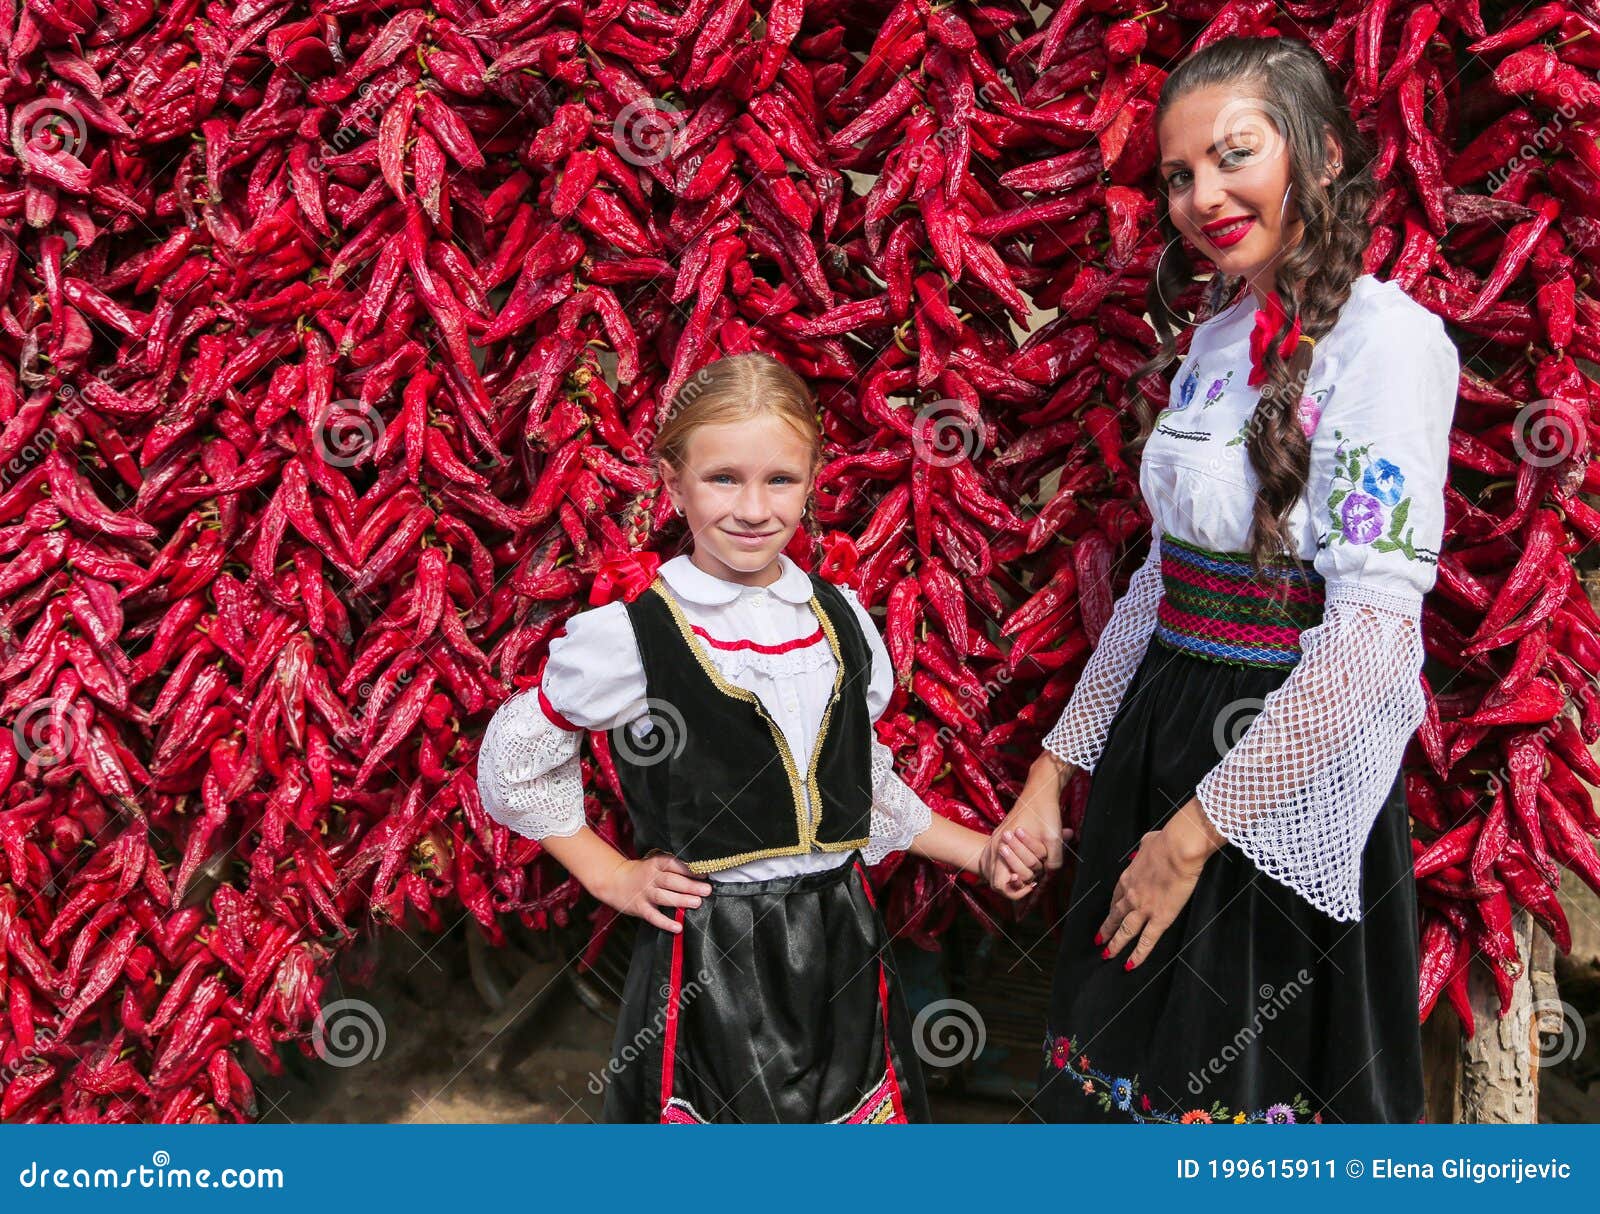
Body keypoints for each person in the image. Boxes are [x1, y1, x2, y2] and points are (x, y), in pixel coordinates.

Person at [985, 36, 1458, 1123]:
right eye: (1178, 174)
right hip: (1165, 742)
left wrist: (1196, 834)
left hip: (1270, 766)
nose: (1202, 195)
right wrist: (1056, 772)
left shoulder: (1388, 342)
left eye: (1233, 155)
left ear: (1322, 151)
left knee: (1241, 1087)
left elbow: (1368, 642)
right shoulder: (1217, 330)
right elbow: (1161, 585)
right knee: (1126, 1073)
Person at [476, 351, 995, 1123]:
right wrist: (608, 873)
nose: (753, 508)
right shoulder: (631, 637)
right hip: (712, 955)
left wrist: (979, 852)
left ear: (814, 479)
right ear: (671, 480)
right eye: (723, 478)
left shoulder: (842, 620)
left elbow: (859, 788)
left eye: (780, 480)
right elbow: (515, 762)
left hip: (843, 936)